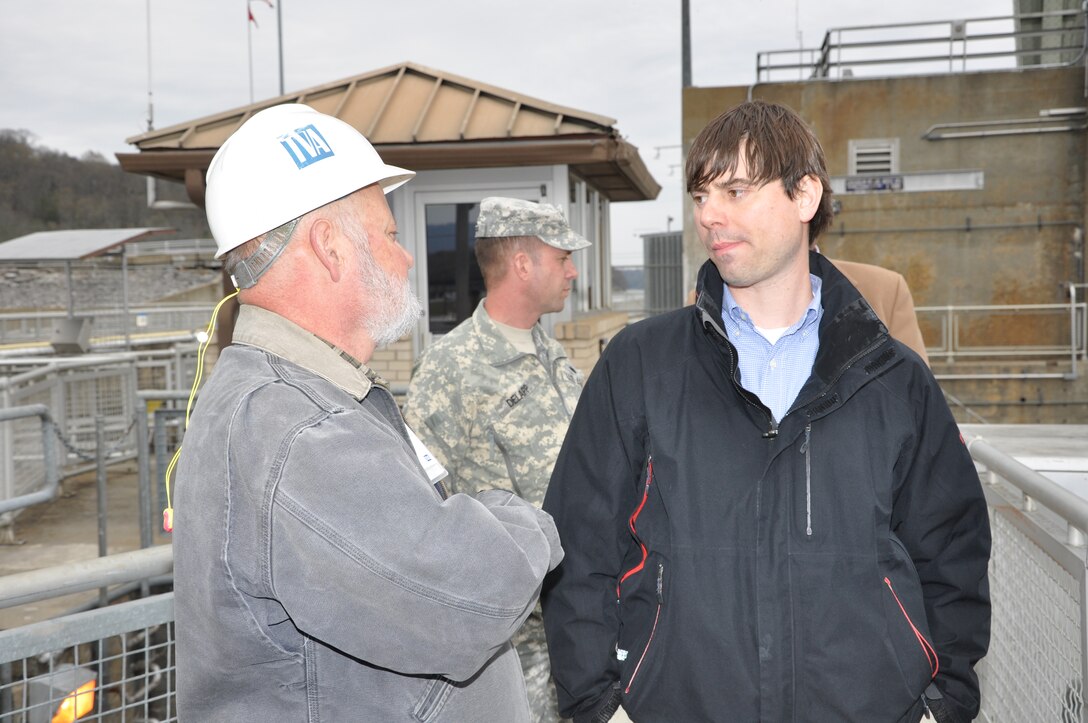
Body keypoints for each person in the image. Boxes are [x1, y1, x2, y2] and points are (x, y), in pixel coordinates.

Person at [541, 100, 990, 723]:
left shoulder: (894, 379)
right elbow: (578, 548)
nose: (709, 216)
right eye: (701, 195)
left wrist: (943, 706)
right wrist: (599, 707)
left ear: (805, 195)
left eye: (735, 189)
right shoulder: (639, 364)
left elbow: (952, 558)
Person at [172, 104, 563, 722]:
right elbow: (466, 596)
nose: (406, 259)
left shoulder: (301, 398)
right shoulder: (296, 429)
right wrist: (533, 522)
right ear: (330, 248)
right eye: (388, 234)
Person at [403, 196, 589, 722]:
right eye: (562, 257)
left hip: (573, 621)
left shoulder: (551, 355)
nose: (573, 270)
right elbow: (424, 508)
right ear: (523, 264)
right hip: (508, 645)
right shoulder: (450, 368)